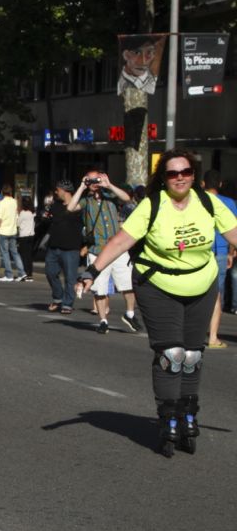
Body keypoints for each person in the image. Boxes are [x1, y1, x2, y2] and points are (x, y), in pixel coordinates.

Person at [78, 150, 237, 456]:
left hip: (201, 284)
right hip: (158, 285)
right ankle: (168, 418)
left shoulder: (207, 202)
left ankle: (188, 412)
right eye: (173, 173)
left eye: (186, 172)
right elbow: (122, 240)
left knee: (192, 354)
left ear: (194, 174)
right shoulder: (152, 205)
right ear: (163, 178)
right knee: (172, 353)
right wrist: (92, 271)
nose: (180, 178)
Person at [79, 170, 140, 334]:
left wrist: (109, 184)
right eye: (90, 180)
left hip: (117, 248)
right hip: (97, 250)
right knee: (100, 289)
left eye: (96, 179)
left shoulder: (110, 196)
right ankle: (103, 320)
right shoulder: (86, 201)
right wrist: (81, 186)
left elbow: (127, 198)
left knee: (128, 284)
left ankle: (130, 313)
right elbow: (71, 207)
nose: (94, 183)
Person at [203, 170, 236, 348]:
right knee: (216, 294)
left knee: (195, 292)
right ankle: (213, 336)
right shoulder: (229, 203)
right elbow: (232, 228)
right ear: (220, 184)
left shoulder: (197, 200)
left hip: (198, 251)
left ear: (202, 184)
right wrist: (231, 253)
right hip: (221, 251)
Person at [44, 179, 86, 313]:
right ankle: (58, 297)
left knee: (70, 278)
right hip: (53, 246)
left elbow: (86, 227)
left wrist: (85, 246)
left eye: (58, 189)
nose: (56, 192)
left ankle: (67, 303)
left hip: (71, 248)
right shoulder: (55, 205)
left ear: (65, 191)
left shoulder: (79, 206)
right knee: (50, 272)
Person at [0, 185, 26, 281]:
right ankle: (21, 273)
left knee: (5, 254)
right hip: (13, 231)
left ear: (2, 193)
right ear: (11, 193)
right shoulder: (15, 202)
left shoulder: (2, 204)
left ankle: (9, 275)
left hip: (3, 232)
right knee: (15, 253)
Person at [17, 196, 36, 281]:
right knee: (29, 256)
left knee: (23, 256)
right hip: (31, 236)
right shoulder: (32, 213)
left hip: (23, 236)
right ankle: (30, 274)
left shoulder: (23, 213)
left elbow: (17, 223)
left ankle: (24, 274)